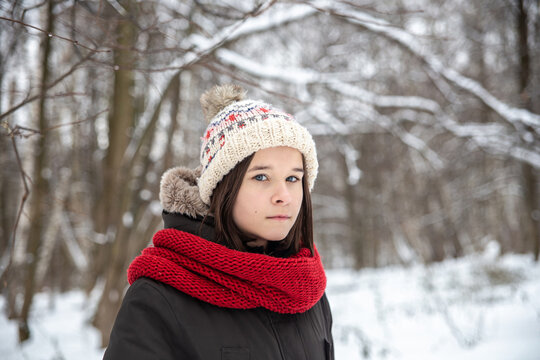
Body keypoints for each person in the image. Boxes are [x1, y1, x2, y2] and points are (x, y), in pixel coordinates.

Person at [103, 84, 334, 360]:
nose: (283, 196)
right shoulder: (159, 298)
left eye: (293, 178)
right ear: (222, 187)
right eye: (261, 177)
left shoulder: (306, 287)